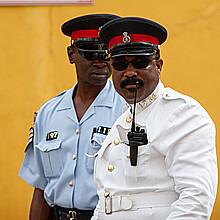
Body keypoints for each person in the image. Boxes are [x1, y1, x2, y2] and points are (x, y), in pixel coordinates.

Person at [92, 17, 218, 219]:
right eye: (120, 64)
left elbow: (195, 200)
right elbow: (106, 199)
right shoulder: (121, 120)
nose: (130, 72)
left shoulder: (182, 114)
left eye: (141, 63)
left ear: (158, 65)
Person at [18, 14, 125, 220]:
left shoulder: (127, 111)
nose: (101, 62)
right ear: (71, 54)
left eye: (107, 55)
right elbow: (41, 188)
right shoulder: (48, 113)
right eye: (90, 54)